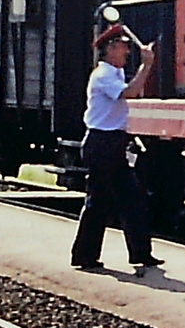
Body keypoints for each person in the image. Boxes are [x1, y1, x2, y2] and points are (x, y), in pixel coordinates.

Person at [70, 22, 163, 274]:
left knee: (133, 199)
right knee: (98, 203)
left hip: (113, 143)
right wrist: (147, 65)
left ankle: (141, 253)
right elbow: (130, 93)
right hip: (101, 143)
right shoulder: (103, 76)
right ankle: (84, 256)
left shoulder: (115, 73)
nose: (127, 52)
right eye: (123, 47)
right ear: (110, 49)